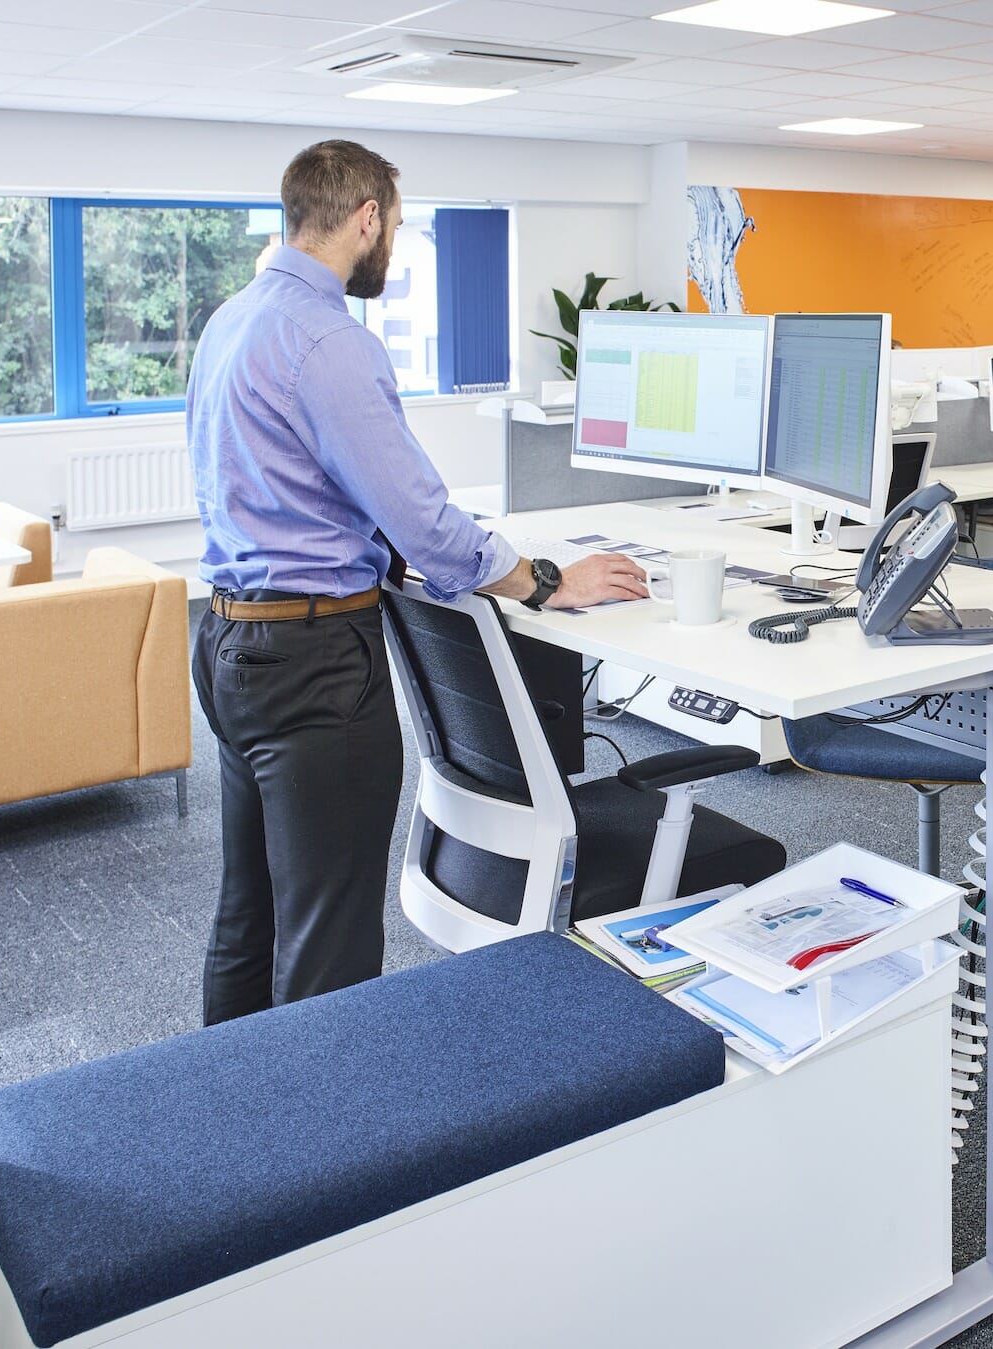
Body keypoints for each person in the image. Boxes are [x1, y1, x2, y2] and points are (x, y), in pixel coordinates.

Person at [188, 139, 648, 1025]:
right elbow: (428, 522)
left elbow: (259, 484)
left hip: (227, 640)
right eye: (394, 227)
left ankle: (237, 1129)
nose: (392, 248)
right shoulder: (329, 340)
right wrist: (543, 579)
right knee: (326, 933)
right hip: (312, 663)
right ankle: (331, 1153)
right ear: (365, 219)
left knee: (248, 913)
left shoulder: (231, 319)